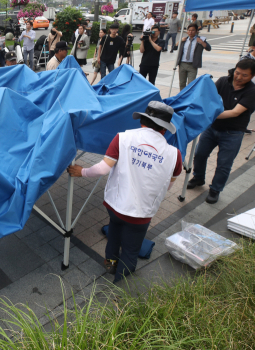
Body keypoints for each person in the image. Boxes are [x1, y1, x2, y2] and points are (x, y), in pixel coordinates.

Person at [67, 101, 182, 282]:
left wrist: (82, 172)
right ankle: (120, 286)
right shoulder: (175, 155)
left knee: (114, 233)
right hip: (141, 214)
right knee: (131, 249)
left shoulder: (123, 138)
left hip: (115, 206)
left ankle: (110, 264)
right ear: (164, 130)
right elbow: (168, 185)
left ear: (142, 121)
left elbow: (103, 169)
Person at [187, 59, 255, 203]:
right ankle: (198, 177)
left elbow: (234, 112)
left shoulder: (253, 91)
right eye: (237, 73)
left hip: (232, 132)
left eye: (244, 75)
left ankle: (215, 189)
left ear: (252, 76)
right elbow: (208, 97)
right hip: (212, 127)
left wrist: (208, 114)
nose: (238, 77)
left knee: (224, 164)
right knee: (200, 154)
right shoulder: (223, 81)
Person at [176, 23, 211, 90]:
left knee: (191, 84)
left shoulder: (200, 39)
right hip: (182, 64)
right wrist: (180, 41)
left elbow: (209, 48)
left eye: (192, 30)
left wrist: (201, 42)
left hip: (192, 65)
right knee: (182, 83)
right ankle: (182, 97)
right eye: (189, 30)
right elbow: (174, 47)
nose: (190, 32)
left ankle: (189, 98)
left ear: (196, 31)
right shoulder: (184, 39)